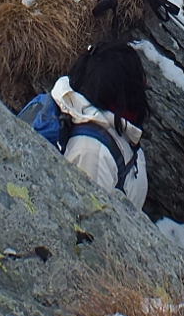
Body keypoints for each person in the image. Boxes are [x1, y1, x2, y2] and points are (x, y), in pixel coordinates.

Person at [49, 43, 149, 210]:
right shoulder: (93, 154)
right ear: (123, 90)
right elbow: (89, 222)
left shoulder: (120, 129)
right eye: (139, 78)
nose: (145, 83)